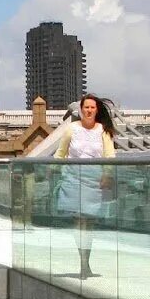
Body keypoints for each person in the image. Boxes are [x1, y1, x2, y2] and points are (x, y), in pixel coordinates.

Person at [52, 95, 117, 281]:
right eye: (86, 107)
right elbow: (60, 154)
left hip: (94, 182)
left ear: (97, 110)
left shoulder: (103, 131)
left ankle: (86, 260)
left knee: (89, 224)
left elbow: (110, 156)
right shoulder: (71, 129)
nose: (89, 110)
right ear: (81, 110)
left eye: (92, 107)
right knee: (80, 223)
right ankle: (83, 263)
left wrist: (107, 175)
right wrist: (53, 170)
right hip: (74, 180)